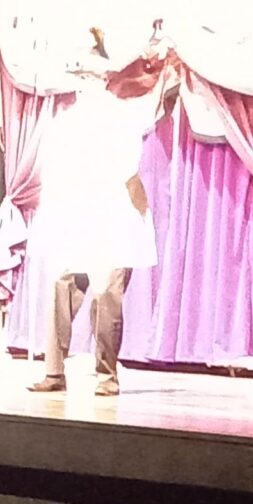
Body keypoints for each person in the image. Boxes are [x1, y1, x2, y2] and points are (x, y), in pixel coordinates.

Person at [30, 34, 166, 397]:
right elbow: (54, 169)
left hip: (112, 213)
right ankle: (54, 371)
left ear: (102, 78)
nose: (83, 82)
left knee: (106, 294)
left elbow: (127, 168)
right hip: (76, 213)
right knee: (62, 285)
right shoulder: (66, 120)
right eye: (79, 75)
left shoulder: (122, 116)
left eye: (88, 75)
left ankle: (106, 374)